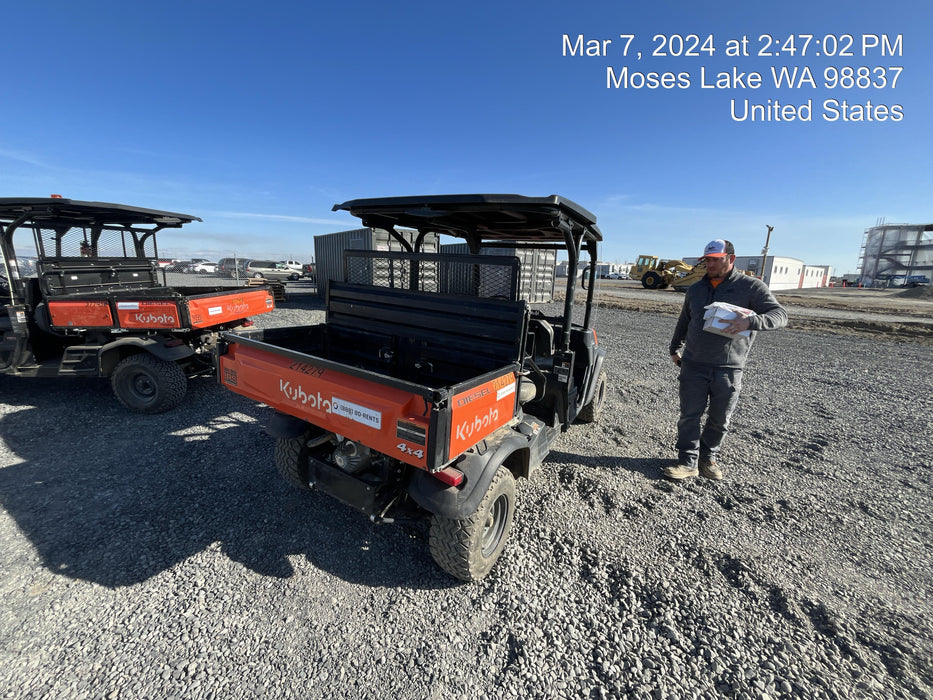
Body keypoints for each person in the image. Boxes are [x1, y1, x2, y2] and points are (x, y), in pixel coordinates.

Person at [665, 239, 787, 481]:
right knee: (689, 415)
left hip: (729, 367)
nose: (710, 264)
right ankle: (687, 461)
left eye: (715, 259)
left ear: (731, 259)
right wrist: (674, 348)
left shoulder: (751, 287)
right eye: (707, 260)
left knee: (720, 419)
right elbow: (685, 320)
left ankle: (707, 458)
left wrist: (750, 322)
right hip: (694, 363)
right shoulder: (696, 289)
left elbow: (780, 315)